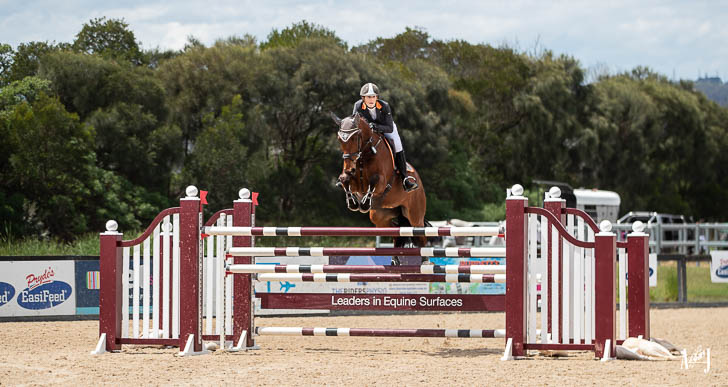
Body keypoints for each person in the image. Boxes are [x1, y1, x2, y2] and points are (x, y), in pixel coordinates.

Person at [353, 82, 418, 192]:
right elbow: (354, 124)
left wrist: (376, 127)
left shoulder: (384, 106)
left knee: (397, 145)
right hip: (367, 132)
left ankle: (404, 179)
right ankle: (349, 174)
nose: (371, 99)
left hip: (385, 128)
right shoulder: (358, 106)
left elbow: (389, 127)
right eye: (368, 97)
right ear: (363, 98)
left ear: (377, 97)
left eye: (373, 97)